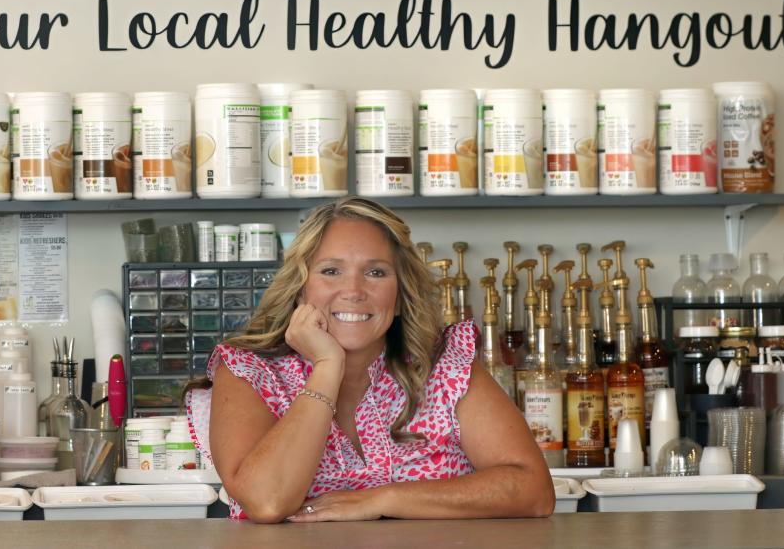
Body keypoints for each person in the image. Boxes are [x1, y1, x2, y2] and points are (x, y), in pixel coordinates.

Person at [184, 196, 554, 523]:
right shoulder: (249, 370)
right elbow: (267, 502)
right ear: (300, 288)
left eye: (376, 272)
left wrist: (382, 499)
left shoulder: (445, 365)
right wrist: (327, 368)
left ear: (399, 294)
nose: (354, 290)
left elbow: (533, 490)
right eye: (331, 271)